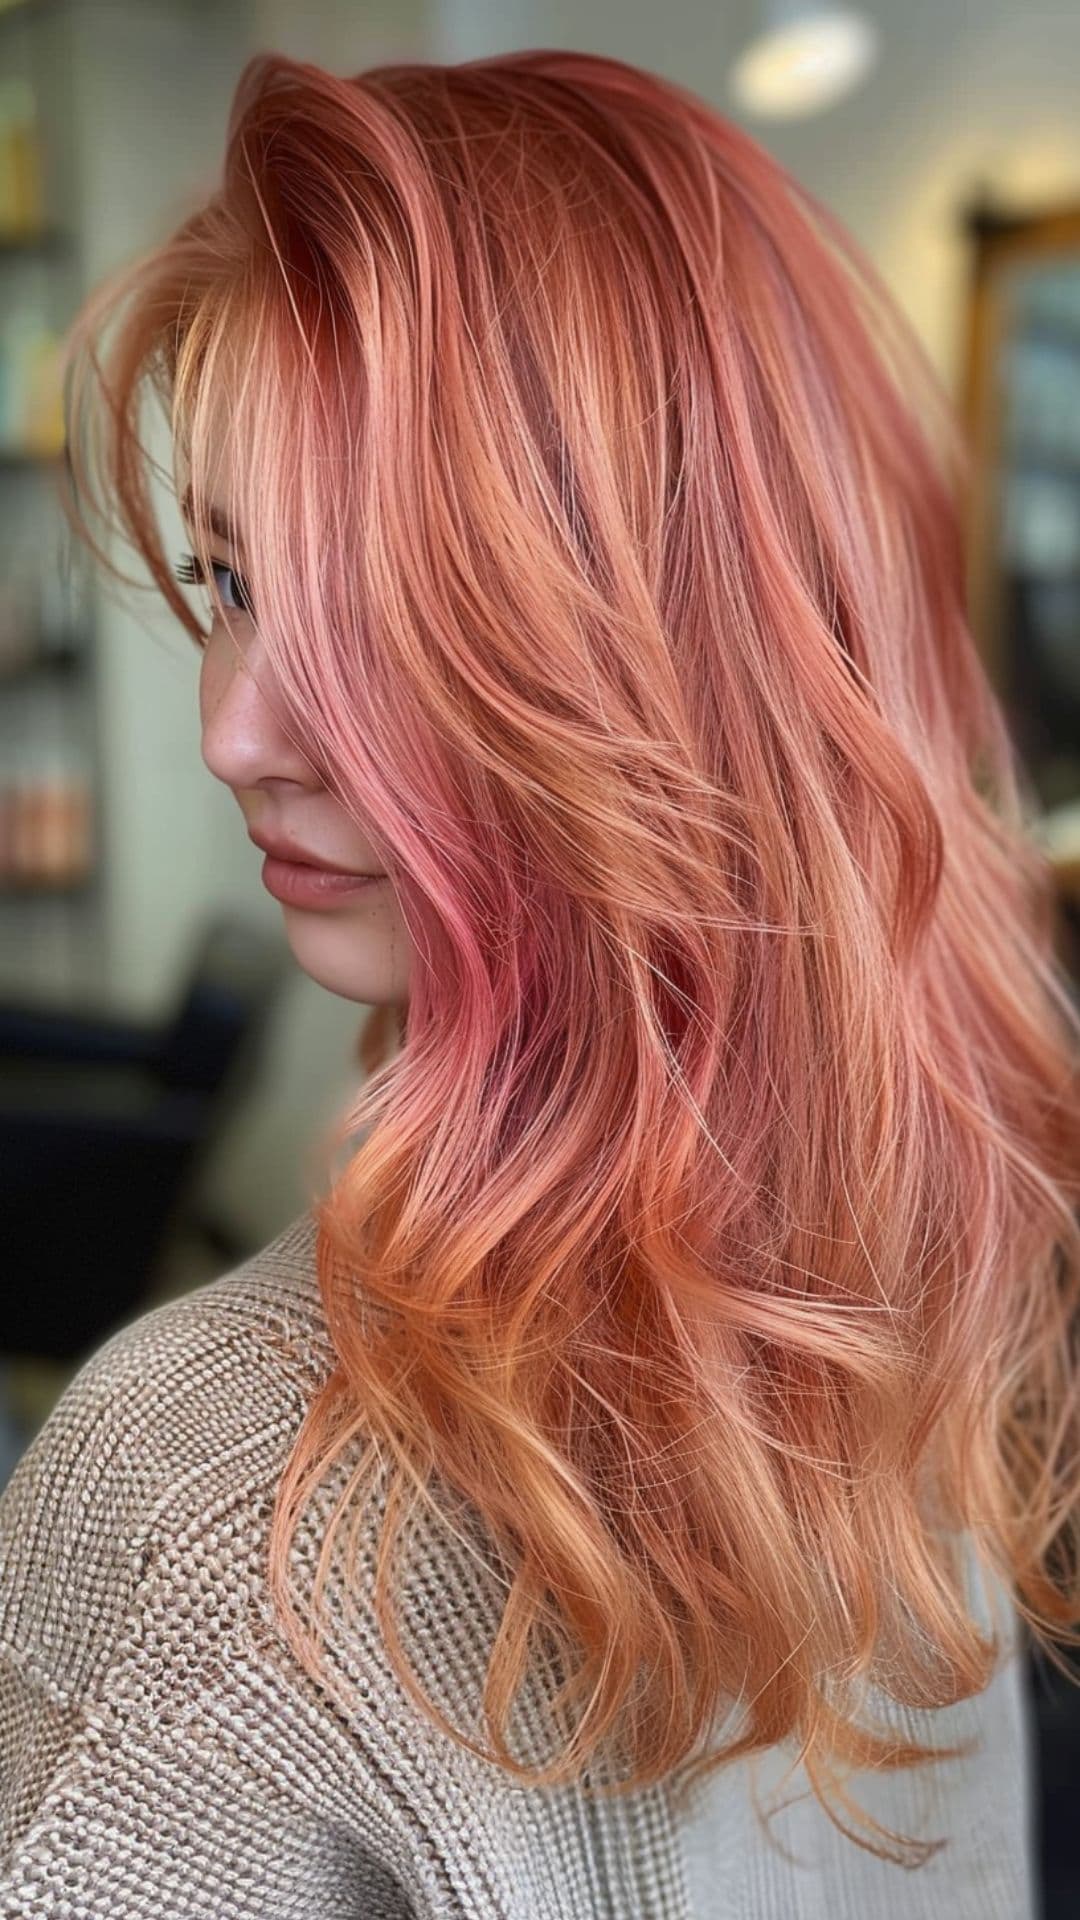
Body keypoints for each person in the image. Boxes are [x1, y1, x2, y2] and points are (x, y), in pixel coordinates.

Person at [1, 44, 1077, 1919]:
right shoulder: (917, 1317)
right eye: (232, 580)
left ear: (667, 660)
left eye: (387, 608)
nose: (238, 729)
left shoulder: (191, 1504)